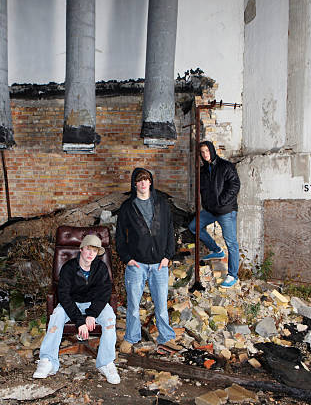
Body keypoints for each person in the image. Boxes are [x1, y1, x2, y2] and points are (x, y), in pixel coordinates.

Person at [33, 234, 120, 384]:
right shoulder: (68, 268)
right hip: (72, 303)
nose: (90, 254)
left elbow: (104, 293)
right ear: (81, 249)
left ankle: (106, 363)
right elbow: (64, 296)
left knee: (110, 318)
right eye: (88, 249)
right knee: (56, 316)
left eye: (94, 250)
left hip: (94, 304)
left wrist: (92, 314)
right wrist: (80, 321)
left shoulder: (101, 268)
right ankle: (48, 361)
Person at [115, 168, 180, 354]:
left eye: (146, 180)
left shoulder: (162, 204)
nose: (143, 183)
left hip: (159, 263)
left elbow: (169, 230)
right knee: (134, 305)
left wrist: (168, 256)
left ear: (151, 182)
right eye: (139, 180)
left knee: (161, 305)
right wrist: (127, 259)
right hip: (137, 265)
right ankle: (131, 337)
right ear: (135, 184)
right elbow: (120, 236)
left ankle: (166, 338)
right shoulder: (128, 207)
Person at [189, 141, 241, 288]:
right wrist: (207, 204)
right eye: (203, 152)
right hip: (211, 210)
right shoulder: (203, 170)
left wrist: (221, 200)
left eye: (207, 151)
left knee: (231, 242)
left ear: (212, 150)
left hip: (226, 210)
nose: (205, 154)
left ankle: (232, 275)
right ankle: (216, 250)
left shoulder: (226, 166)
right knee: (194, 226)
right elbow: (203, 190)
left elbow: (235, 185)